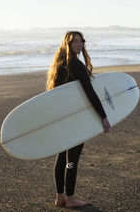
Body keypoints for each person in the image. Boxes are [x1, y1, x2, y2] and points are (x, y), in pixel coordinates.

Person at [46, 30, 110, 208]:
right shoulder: (75, 64)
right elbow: (90, 93)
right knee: (72, 158)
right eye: (75, 42)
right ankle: (71, 198)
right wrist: (103, 116)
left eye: (81, 41)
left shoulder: (59, 65)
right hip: (74, 119)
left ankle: (60, 196)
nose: (79, 45)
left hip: (62, 117)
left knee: (62, 155)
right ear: (68, 44)